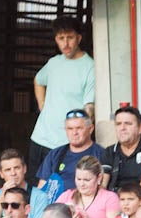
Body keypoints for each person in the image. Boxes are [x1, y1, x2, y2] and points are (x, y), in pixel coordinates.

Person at [32, 17, 96, 166]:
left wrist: (81, 136)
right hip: (40, 137)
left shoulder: (90, 67)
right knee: (35, 181)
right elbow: (38, 80)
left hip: (66, 142)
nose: (65, 43)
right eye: (61, 38)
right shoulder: (53, 62)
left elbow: (89, 108)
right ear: (56, 39)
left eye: (70, 38)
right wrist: (42, 105)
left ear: (79, 38)